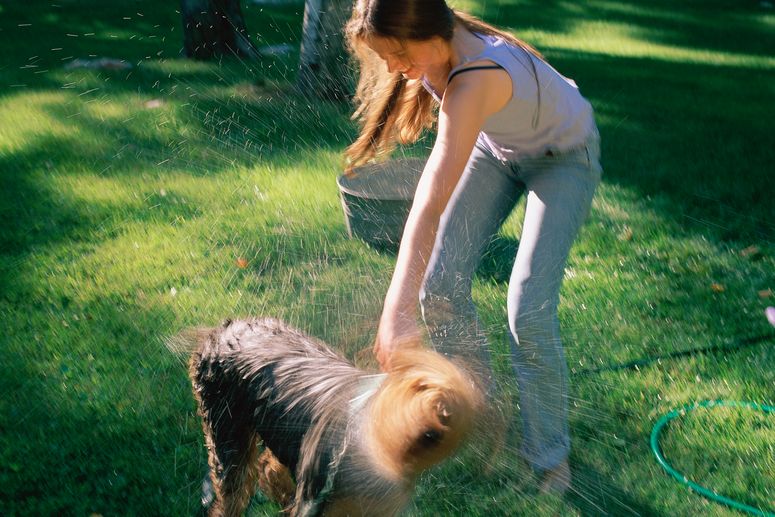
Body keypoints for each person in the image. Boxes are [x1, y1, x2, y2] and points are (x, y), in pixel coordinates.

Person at [344, 0, 602, 494]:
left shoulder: (478, 75)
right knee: (439, 289)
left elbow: (430, 203)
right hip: (499, 149)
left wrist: (394, 311)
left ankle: (550, 458)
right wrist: (409, 303)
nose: (395, 68)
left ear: (427, 32)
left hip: (564, 157)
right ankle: (482, 413)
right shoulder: (438, 44)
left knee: (528, 310)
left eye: (398, 53)